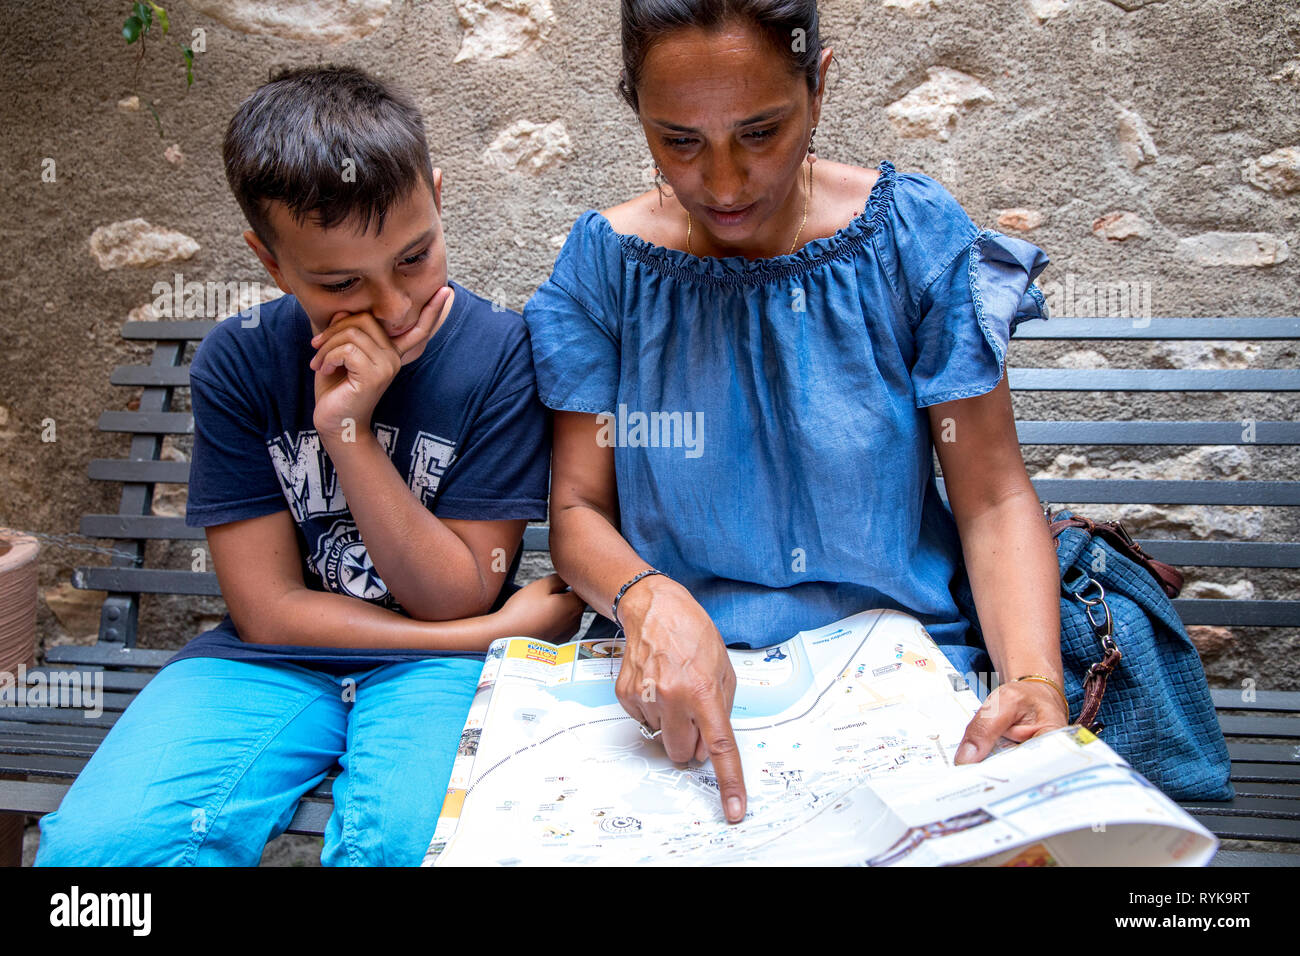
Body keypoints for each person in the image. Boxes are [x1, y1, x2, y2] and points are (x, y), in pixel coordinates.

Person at [522, 0, 1069, 827]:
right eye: (680, 142)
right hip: (672, 677)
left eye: (760, 131)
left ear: (818, 86)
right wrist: (647, 599)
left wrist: (1032, 680)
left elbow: (992, 497)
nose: (726, 183)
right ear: (636, 111)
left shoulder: (911, 239)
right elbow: (578, 508)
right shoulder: (609, 266)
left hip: (898, 673)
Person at [36, 65, 584, 866]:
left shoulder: (498, 355)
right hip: (273, 665)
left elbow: (453, 589)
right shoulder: (242, 361)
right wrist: (492, 632)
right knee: (97, 854)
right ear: (271, 261)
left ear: (437, 195)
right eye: (339, 284)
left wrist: (353, 440)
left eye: (414, 257)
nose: (393, 308)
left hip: (431, 680)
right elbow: (267, 611)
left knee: (414, 846)